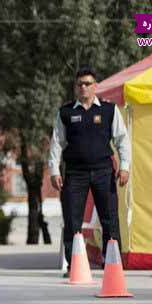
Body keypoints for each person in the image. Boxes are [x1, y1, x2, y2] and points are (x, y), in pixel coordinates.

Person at [48, 67, 131, 278]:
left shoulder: (108, 110)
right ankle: (73, 265)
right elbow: (56, 143)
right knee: (72, 220)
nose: (83, 87)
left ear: (95, 86)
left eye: (87, 83)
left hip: (104, 171)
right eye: (80, 84)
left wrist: (124, 167)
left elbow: (122, 140)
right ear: (76, 88)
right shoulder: (66, 112)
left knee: (109, 219)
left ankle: (112, 264)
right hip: (75, 173)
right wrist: (54, 170)